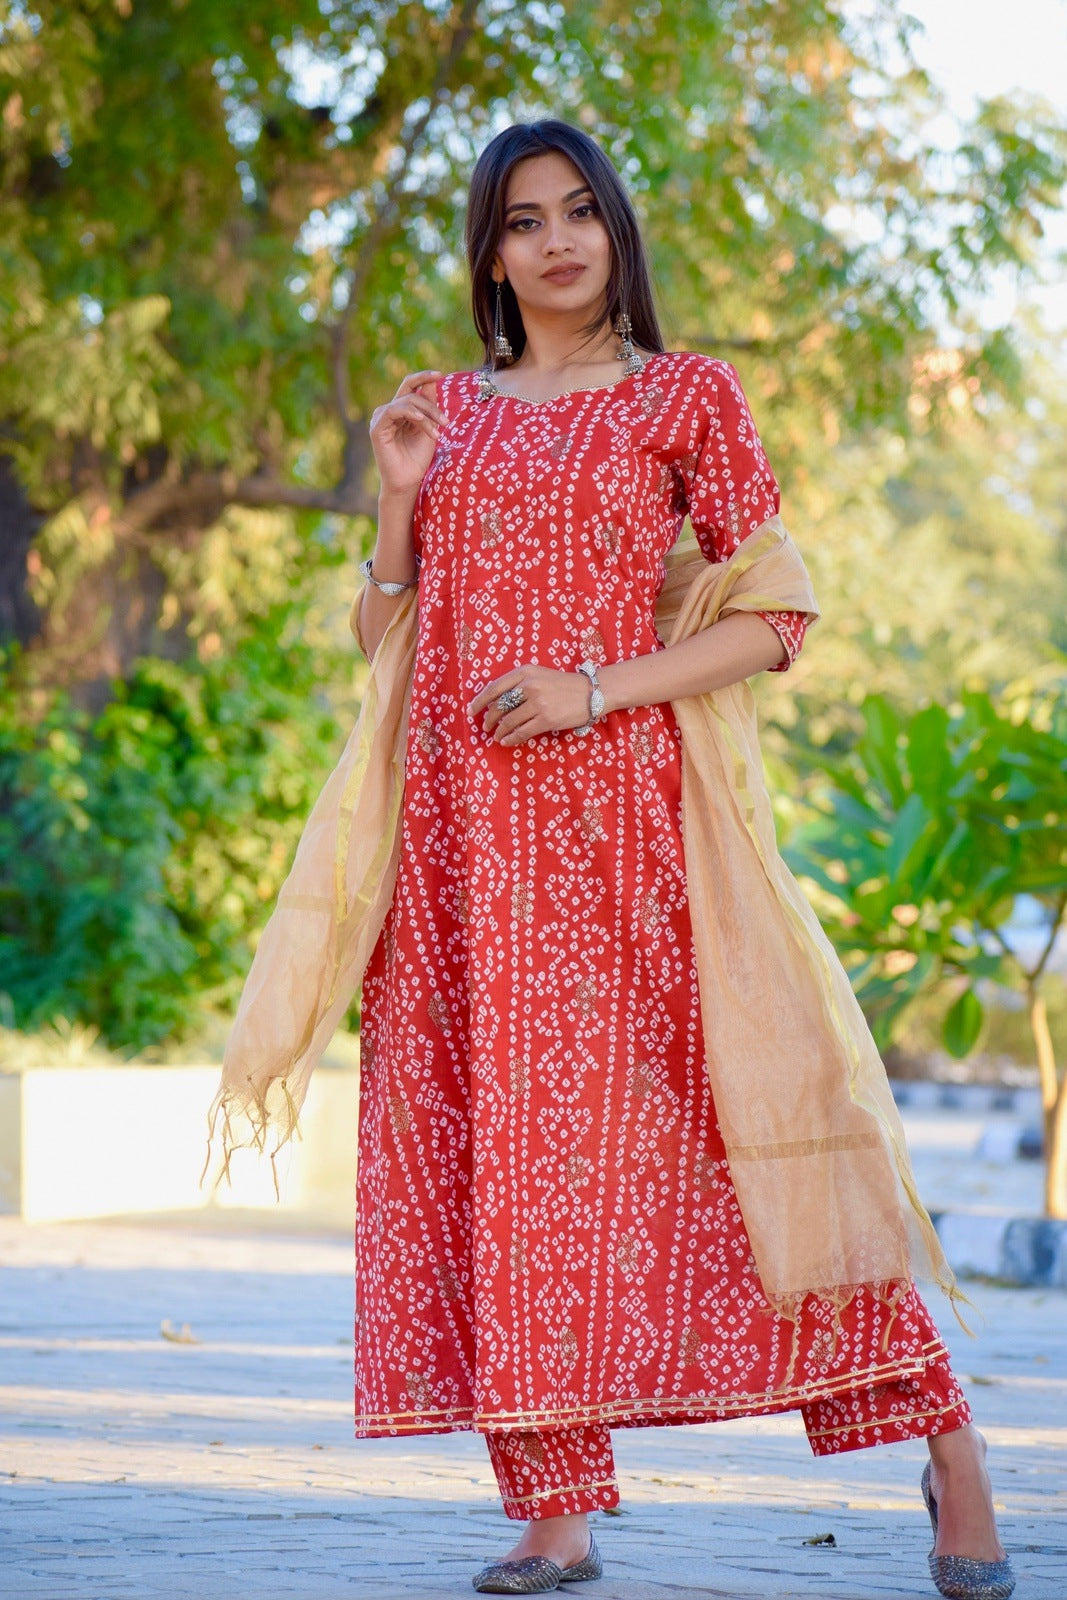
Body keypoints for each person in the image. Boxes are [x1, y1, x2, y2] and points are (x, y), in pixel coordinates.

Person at [208, 119, 1014, 1600]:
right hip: (460, 858)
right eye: (524, 221)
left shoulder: (684, 394)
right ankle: (556, 1506)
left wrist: (596, 686)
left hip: (632, 836)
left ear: (615, 231)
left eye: (581, 211)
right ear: (491, 254)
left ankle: (944, 1442)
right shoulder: (439, 411)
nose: (558, 241)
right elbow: (389, 647)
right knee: (500, 1159)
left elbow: (775, 617)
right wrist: (396, 499)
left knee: (740, 1136)